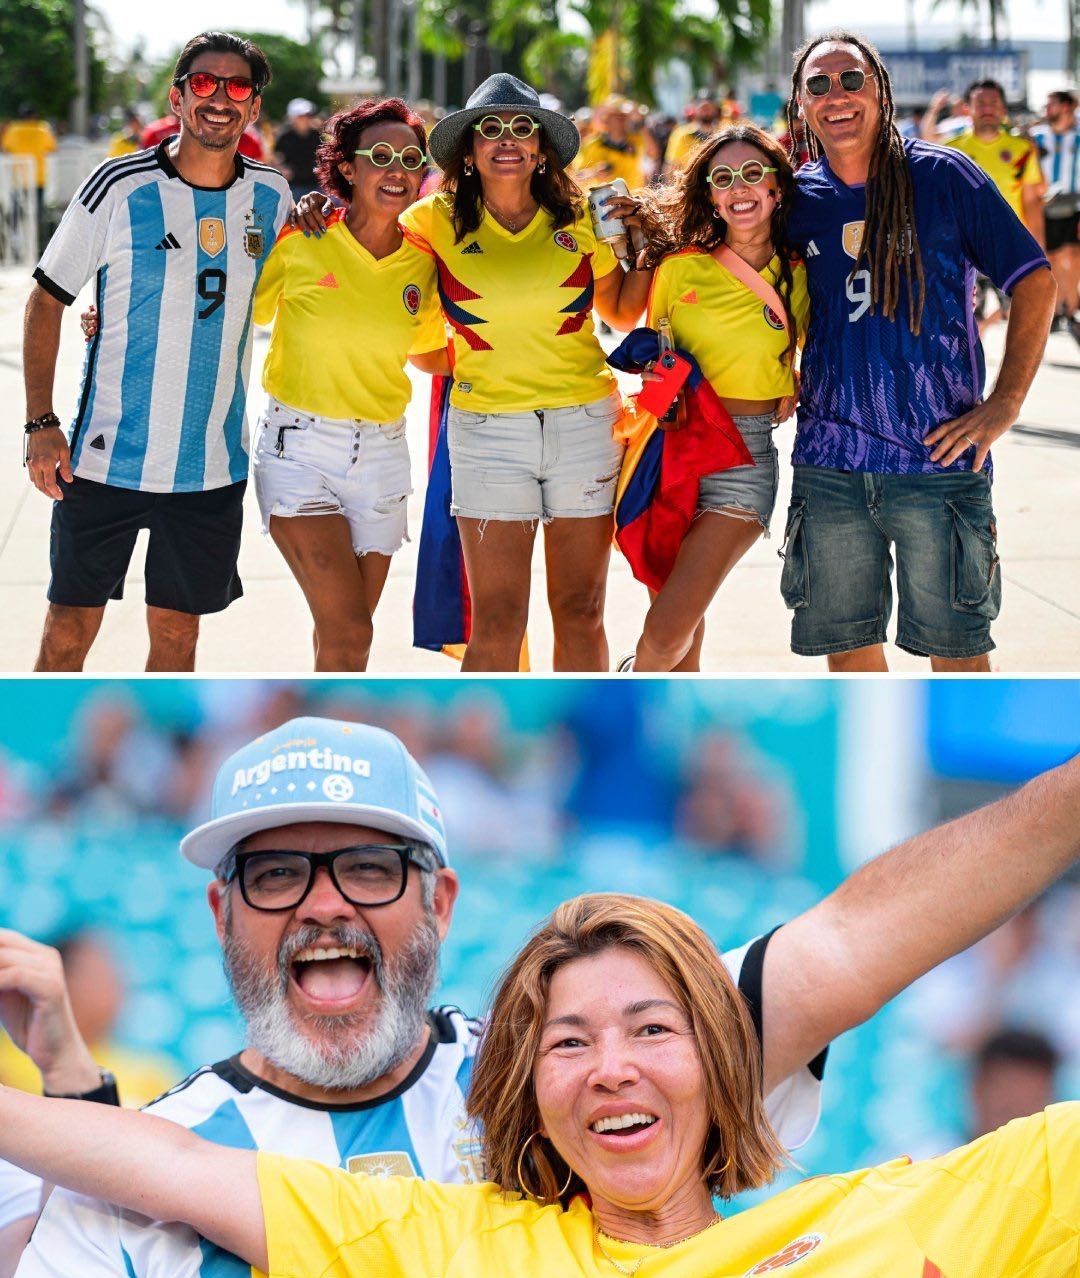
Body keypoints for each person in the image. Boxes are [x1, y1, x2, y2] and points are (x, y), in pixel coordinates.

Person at [16, 717, 1080, 1278]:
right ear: (219, 913)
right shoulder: (150, 1169)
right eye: (276, 874)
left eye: (370, 870)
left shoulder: (554, 1082)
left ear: (438, 900)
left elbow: (853, 941)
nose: (324, 907)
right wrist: (70, 1084)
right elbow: (147, 1175)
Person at [2, 894, 1078, 1278]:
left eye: (650, 1029)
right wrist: (56, 1077)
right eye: (567, 1044)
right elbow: (175, 1166)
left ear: (722, 1059)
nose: (610, 1065)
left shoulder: (901, 1212)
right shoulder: (451, 1243)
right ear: (528, 1094)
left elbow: (845, 946)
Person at [778, 31, 1057, 673]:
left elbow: (1034, 281)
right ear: (801, 104)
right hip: (831, 465)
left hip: (940, 461)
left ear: (881, 91)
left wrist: (1005, 404)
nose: (837, 96)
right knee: (849, 661)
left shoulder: (942, 175)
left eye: (852, 80)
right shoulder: (797, 199)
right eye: (818, 85)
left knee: (957, 661)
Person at [22, 32, 291, 672]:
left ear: (254, 108)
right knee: (66, 635)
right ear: (176, 97)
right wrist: (40, 423)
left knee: (177, 643)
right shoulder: (117, 185)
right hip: (103, 461)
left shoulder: (274, 197)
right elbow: (47, 299)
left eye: (237, 87)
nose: (220, 98)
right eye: (203, 83)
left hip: (209, 467)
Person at [397, 74, 653, 671]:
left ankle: (582, 748)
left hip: (586, 426)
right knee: (499, 619)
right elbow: (414, 335)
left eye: (522, 128)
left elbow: (618, 310)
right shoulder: (429, 221)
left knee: (582, 609)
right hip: (486, 433)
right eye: (491, 128)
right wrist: (478, 365)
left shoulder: (581, 217)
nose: (506, 140)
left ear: (540, 147)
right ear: (469, 148)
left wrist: (640, 247)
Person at [251, 99, 449, 671]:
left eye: (410, 159)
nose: (397, 171)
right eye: (380, 157)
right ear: (348, 168)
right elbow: (236, 315)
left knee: (346, 642)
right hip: (299, 450)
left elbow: (433, 356)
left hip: (384, 458)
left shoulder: (422, 264)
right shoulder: (301, 239)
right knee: (349, 632)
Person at [612, 124, 808, 671]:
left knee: (669, 625)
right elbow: (659, 350)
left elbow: (822, 350)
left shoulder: (801, 272)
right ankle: (666, 743)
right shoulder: (679, 267)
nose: (738, 187)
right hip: (669, 448)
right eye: (723, 178)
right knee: (684, 635)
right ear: (710, 195)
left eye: (752, 173)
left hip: (742, 459)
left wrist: (790, 381)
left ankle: (628, 688)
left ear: (776, 187)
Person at [0, 928, 123, 1278]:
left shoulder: (151, 1070)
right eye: (97, 975)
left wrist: (65, 1069)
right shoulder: (7, 1065)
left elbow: (75, 1256)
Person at [930, 79, 1046, 331]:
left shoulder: (1022, 149)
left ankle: (989, 335)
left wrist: (1039, 246)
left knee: (1016, 315)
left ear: (1003, 109)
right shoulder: (951, 151)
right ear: (967, 109)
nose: (987, 108)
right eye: (980, 103)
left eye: (993, 103)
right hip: (965, 249)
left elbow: (1031, 201)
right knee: (964, 321)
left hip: (1009, 244)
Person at [1030, 90, 1080, 341]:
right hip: (1044, 205)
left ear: (1068, 107)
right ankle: (1059, 310)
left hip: (1075, 203)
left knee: (1072, 254)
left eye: (1052, 104)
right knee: (1050, 257)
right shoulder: (1037, 136)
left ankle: (1069, 309)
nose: (1047, 109)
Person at [1, 106, 56, 256]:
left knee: (16, 215)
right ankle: (37, 248)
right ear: (35, 116)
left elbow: (5, 149)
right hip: (37, 179)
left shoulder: (13, 129)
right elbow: (52, 148)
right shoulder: (43, 128)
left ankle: (15, 248)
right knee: (37, 215)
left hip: (18, 180)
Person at [571, 96, 645, 191]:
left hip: (633, 200)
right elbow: (577, 176)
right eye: (616, 117)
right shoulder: (592, 144)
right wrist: (594, 173)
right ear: (606, 120)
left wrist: (639, 121)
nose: (621, 121)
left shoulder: (636, 140)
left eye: (624, 116)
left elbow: (654, 152)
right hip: (601, 202)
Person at [274, 97, 322, 203]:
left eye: (308, 115)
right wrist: (282, 169)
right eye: (301, 116)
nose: (305, 118)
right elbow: (276, 158)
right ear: (292, 118)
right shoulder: (285, 137)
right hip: (293, 187)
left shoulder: (316, 135)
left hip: (315, 185)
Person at [663, 95, 721, 175]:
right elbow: (672, 167)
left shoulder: (723, 133)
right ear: (695, 110)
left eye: (709, 108)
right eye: (703, 108)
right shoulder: (681, 134)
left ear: (715, 109)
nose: (706, 112)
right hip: (689, 184)